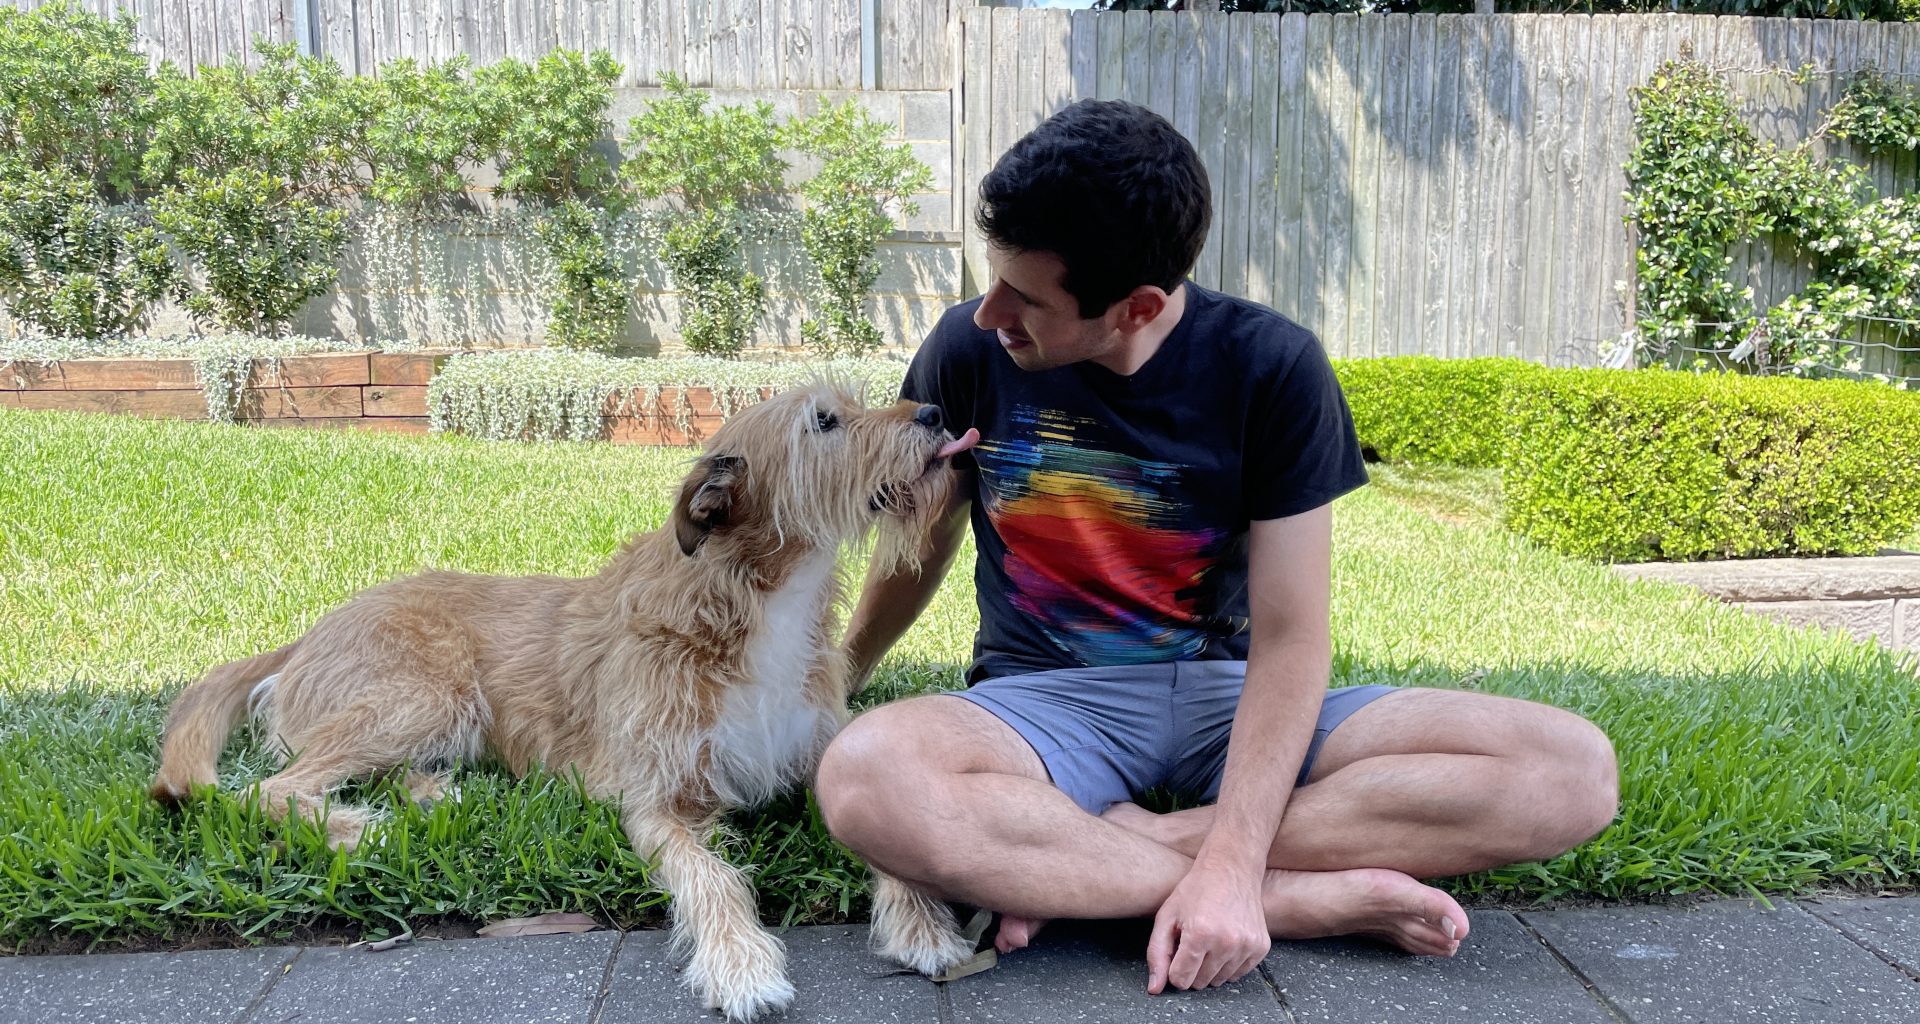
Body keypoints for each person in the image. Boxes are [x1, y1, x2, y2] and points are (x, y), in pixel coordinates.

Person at [813, 99, 1618, 995]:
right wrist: (841, 671)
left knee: (1569, 771)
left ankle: (1123, 856)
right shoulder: (969, 351)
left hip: (1227, 699)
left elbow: (1291, 639)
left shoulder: (1271, 367)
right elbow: (923, 541)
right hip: (1042, 710)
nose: (989, 311)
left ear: (1137, 306)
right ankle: (1300, 900)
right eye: (991, 278)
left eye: (1027, 297)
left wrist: (1227, 856)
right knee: (865, 777)